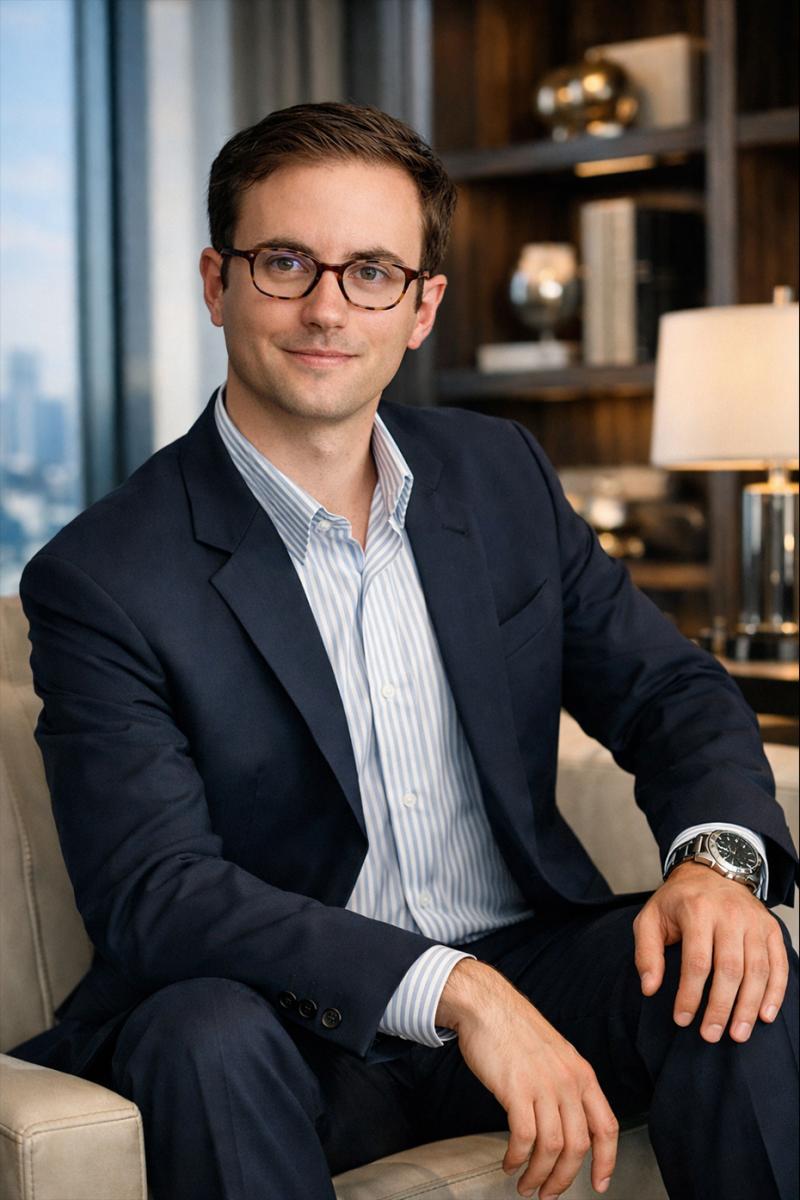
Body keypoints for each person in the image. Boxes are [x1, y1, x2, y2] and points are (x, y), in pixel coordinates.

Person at [11, 101, 798, 1200]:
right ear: (215, 282)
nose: (328, 307)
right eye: (285, 262)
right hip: (290, 1023)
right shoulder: (102, 574)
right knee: (197, 1036)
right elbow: (158, 891)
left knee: (730, 968)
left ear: (421, 307)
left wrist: (716, 871)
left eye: (372, 271)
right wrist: (457, 990)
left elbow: (668, 690)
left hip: (531, 955)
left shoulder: (500, 476)